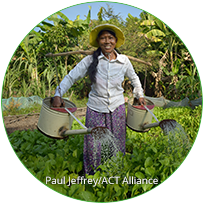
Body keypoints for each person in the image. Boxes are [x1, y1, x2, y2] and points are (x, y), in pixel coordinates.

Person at [52, 24, 146, 175]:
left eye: (110, 38)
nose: (107, 41)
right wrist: (58, 94)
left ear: (115, 41)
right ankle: (92, 175)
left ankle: (115, 173)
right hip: (96, 108)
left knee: (117, 142)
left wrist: (139, 95)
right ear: (98, 41)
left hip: (117, 108)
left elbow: (134, 78)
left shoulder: (124, 61)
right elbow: (72, 76)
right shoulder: (90, 60)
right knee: (93, 144)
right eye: (103, 38)